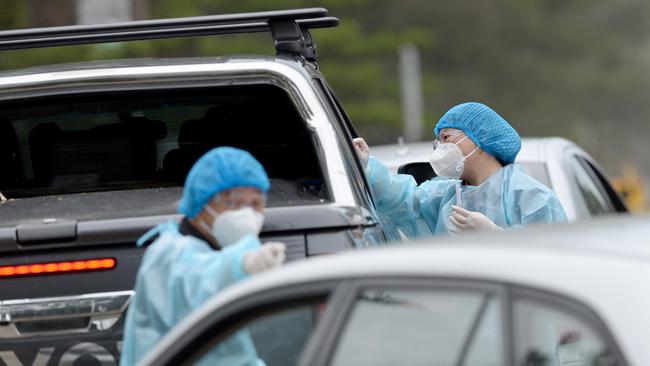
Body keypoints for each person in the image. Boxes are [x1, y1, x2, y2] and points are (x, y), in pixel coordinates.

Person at [120, 147, 285, 366]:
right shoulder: (169, 253)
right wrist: (241, 265)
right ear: (201, 204)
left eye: (255, 204)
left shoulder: (216, 249)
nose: (246, 214)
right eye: (232, 203)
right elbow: (199, 280)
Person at [353, 102, 567, 239]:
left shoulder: (534, 199)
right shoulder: (445, 196)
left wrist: (496, 236)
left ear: (480, 137)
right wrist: (367, 167)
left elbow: (553, 259)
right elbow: (401, 200)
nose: (440, 147)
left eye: (446, 138)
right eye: (438, 141)